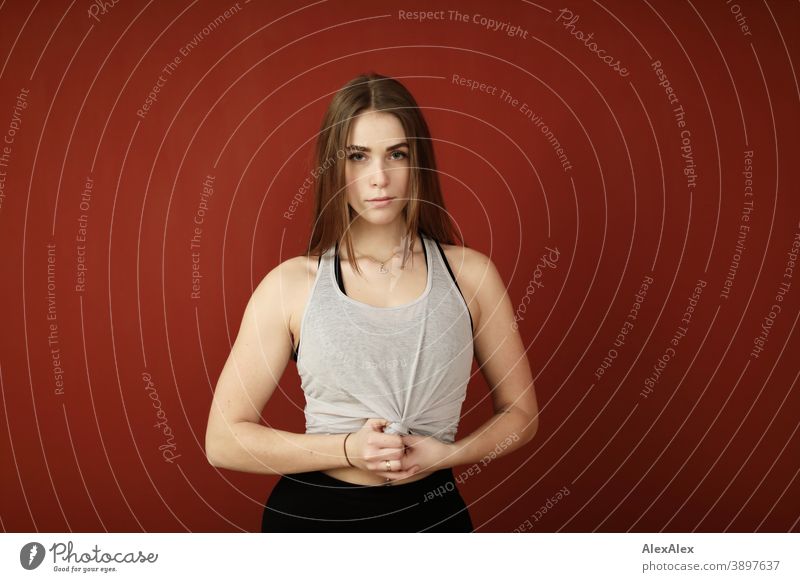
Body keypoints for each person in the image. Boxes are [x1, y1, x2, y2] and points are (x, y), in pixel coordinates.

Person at [205, 72, 539, 532]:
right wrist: (347, 449)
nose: (379, 178)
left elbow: (521, 415)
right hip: (313, 524)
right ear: (334, 167)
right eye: (358, 157)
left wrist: (450, 454)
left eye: (395, 154)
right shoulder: (290, 285)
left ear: (417, 160)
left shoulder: (472, 277)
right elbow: (223, 441)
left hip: (433, 518)